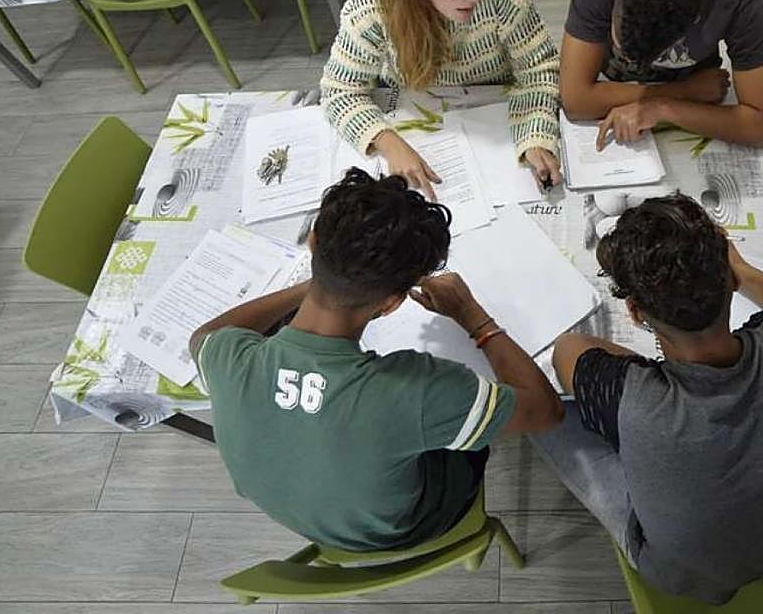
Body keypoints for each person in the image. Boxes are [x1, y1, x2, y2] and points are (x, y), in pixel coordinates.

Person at [189, 168, 563, 552]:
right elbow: (547, 412)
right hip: (395, 528)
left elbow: (202, 336)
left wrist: (324, 282)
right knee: (465, 425)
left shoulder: (228, 356)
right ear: (391, 303)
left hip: (303, 519)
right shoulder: (416, 388)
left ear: (313, 241)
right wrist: (472, 315)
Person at [534, 194, 763, 604]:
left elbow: (567, 350)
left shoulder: (632, 399)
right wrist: (746, 273)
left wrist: (646, 376)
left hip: (682, 577)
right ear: (728, 279)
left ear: (636, 313)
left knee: (546, 414)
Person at [321, 0, 562, 199]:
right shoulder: (374, 0)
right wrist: (388, 142)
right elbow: (340, 89)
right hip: (414, 109)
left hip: (493, 111)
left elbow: (539, 69)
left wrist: (535, 137)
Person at [559, 0, 763, 150]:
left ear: (695, 19)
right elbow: (576, 100)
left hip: (689, 107)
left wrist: (661, 108)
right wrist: (684, 91)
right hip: (621, 89)